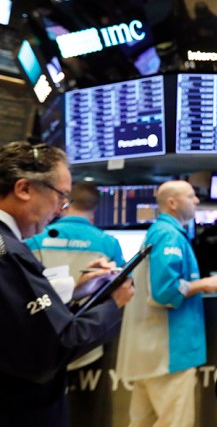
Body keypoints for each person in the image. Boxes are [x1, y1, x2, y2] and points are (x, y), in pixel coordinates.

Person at [0, 141, 134, 427]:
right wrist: (113, 303)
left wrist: (77, 289)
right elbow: (54, 345)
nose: (61, 210)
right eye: (60, 196)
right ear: (23, 189)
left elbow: (18, 315)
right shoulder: (8, 253)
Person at [116, 180, 217, 427]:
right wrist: (204, 284)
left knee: (142, 421)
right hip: (169, 353)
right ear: (172, 203)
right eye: (191, 195)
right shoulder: (170, 236)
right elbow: (165, 291)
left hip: (152, 350)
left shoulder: (159, 232)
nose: (197, 201)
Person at [25, 182, 127, 369]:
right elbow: (122, 285)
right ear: (95, 207)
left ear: (65, 202)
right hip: (88, 342)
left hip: (41, 337)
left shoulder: (35, 237)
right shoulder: (108, 242)